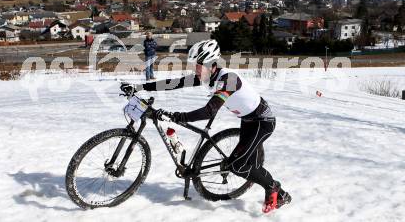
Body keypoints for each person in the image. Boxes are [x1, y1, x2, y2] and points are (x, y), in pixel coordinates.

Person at [121, 39, 291, 213]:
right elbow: (175, 83)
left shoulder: (229, 79)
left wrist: (176, 116)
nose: (195, 70)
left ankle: (274, 188)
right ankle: (280, 194)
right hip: (247, 120)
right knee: (248, 165)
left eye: (198, 65)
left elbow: (209, 111)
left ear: (212, 64)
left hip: (262, 122)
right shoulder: (208, 75)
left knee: (238, 166)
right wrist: (139, 87)